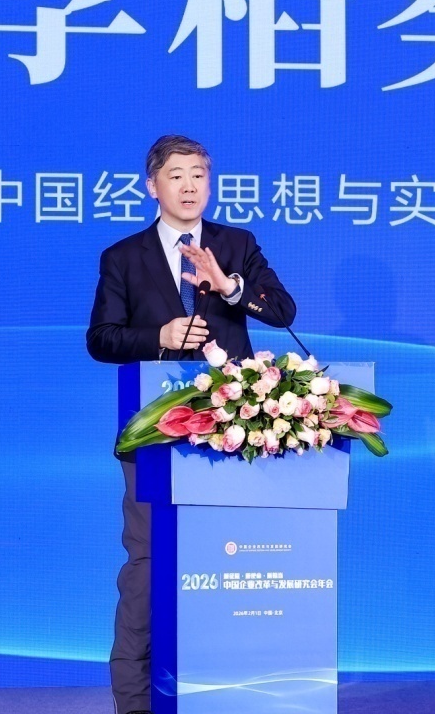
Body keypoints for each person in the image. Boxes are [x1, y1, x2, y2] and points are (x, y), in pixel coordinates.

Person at [86, 135, 296, 714]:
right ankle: (136, 703)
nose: (189, 186)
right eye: (176, 175)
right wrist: (159, 336)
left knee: (231, 565)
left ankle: (227, 697)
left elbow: (282, 311)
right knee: (148, 570)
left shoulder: (236, 244)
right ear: (152, 186)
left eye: (199, 175)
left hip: (232, 435)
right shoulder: (123, 257)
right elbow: (101, 339)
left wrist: (230, 286)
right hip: (155, 436)